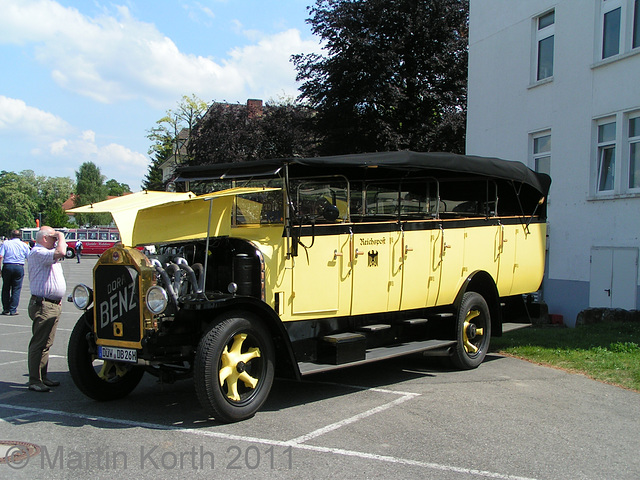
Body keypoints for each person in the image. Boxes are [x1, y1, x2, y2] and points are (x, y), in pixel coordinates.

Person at [26, 227, 66, 392]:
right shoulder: (38, 252)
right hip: (43, 304)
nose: (56, 241)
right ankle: (35, 380)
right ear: (43, 239)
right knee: (39, 343)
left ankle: (42, 376)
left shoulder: (47, 253)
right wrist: (61, 235)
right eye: (52, 238)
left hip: (52, 304)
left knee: (47, 343)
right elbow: (62, 252)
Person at [0, 229, 31, 315]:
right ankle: (13, 309)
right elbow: (29, 257)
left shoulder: (6, 243)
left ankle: (6, 309)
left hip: (8, 265)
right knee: (16, 289)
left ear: (11, 236)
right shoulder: (24, 245)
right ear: (20, 236)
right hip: (19, 266)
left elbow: (1, 256)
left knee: (6, 288)